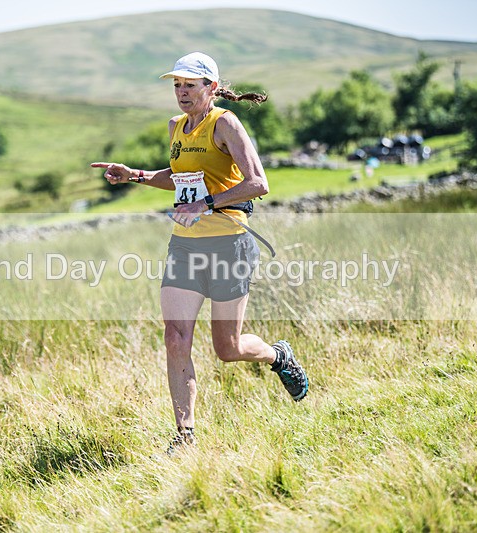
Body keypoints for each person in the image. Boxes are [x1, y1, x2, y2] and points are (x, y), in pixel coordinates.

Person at [91, 52, 308, 454]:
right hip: (185, 244)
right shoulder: (176, 127)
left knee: (228, 349)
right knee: (175, 338)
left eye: (190, 85)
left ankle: (278, 355)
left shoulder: (225, 123)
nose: (182, 92)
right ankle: (185, 436)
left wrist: (205, 204)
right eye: (177, 85)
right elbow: (177, 177)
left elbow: (258, 183)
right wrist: (135, 175)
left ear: (212, 87)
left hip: (229, 243)